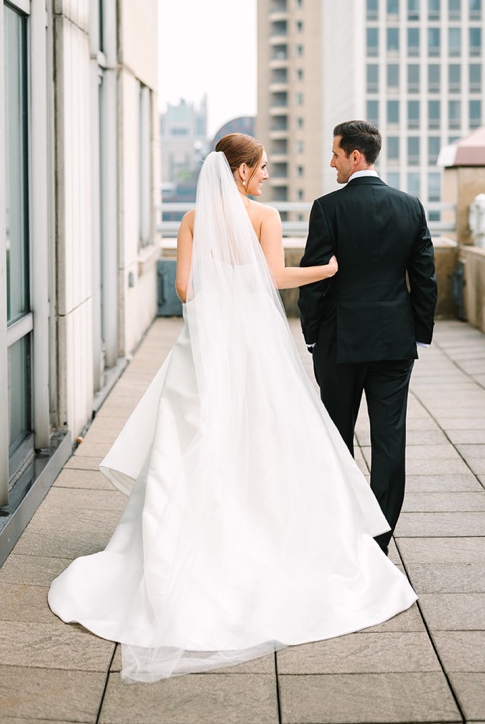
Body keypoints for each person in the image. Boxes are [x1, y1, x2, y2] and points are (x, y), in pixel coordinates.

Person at [48, 134, 418, 683]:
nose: (267, 175)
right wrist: (326, 271)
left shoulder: (193, 220)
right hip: (252, 347)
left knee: (190, 442)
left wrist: (218, 288)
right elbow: (273, 278)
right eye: (263, 167)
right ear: (241, 172)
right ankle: (262, 537)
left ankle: (181, 542)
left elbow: (184, 289)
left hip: (205, 348)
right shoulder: (264, 216)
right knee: (265, 437)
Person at [299, 120, 437, 555]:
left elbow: (314, 278)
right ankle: (379, 541)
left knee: (337, 438)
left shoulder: (327, 208)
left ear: (355, 156)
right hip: (395, 343)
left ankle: (341, 530)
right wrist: (418, 336)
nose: (332, 161)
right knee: (389, 441)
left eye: (336, 153)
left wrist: (312, 334)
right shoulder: (410, 206)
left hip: (340, 343)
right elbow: (425, 279)